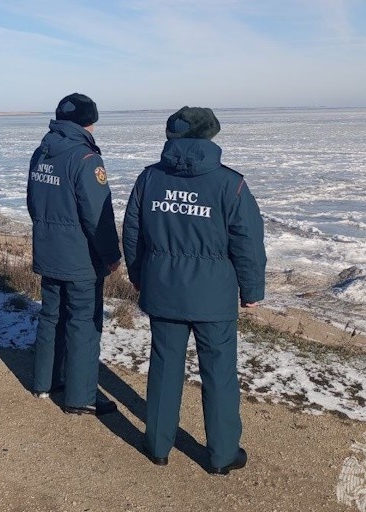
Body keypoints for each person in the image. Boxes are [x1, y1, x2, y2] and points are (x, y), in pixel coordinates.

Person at [122, 106, 266, 474]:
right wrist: (251, 290)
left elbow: (133, 234)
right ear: (211, 136)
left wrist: (140, 276)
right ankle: (221, 456)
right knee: (219, 373)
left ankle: (157, 446)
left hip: (164, 288)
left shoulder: (149, 179)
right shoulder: (229, 184)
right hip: (212, 296)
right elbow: (247, 243)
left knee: (165, 366)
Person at [27, 93, 122, 416]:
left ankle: (44, 381)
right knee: (83, 321)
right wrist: (111, 255)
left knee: (52, 315)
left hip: (49, 250)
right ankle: (80, 396)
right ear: (89, 122)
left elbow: (33, 202)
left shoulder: (42, 152)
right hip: (80, 258)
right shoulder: (85, 159)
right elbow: (98, 216)